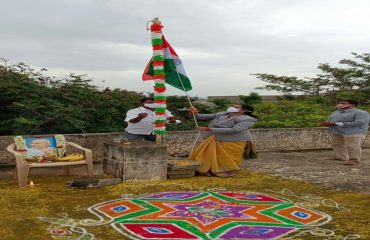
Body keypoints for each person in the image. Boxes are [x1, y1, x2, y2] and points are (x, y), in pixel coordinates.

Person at [188, 104, 258, 177]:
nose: (232, 108)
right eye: (233, 106)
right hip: (214, 137)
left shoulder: (248, 119)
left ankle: (225, 169)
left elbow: (235, 129)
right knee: (206, 153)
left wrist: (209, 129)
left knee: (225, 158)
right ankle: (206, 169)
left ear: (243, 111)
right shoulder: (223, 114)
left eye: (236, 107)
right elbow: (200, 117)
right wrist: (194, 113)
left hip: (234, 140)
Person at [320, 99, 370, 165]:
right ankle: (341, 157)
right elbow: (330, 120)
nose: (339, 104)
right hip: (337, 131)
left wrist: (337, 123)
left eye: (343, 103)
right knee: (337, 145)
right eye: (339, 103)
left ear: (352, 105)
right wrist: (326, 123)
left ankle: (354, 160)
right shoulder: (336, 112)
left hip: (354, 132)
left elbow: (359, 122)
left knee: (353, 146)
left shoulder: (361, 112)